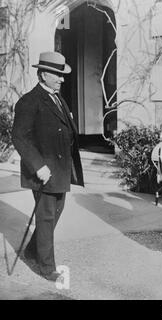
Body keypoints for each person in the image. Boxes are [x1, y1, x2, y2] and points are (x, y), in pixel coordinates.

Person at [11, 51, 84, 281]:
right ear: (43, 74)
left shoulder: (57, 97)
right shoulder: (29, 101)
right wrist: (38, 165)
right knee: (46, 216)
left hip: (60, 169)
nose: (62, 79)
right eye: (57, 75)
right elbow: (20, 137)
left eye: (62, 75)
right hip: (43, 170)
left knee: (56, 211)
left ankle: (33, 250)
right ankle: (45, 266)